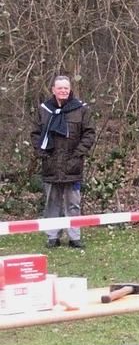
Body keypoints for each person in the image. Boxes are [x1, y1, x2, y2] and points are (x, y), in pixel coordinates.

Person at [31, 75, 96, 249]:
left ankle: (74, 237)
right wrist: (43, 155)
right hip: (50, 165)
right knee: (52, 203)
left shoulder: (81, 109)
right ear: (53, 90)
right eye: (60, 88)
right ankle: (53, 237)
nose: (63, 91)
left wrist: (78, 154)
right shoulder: (44, 110)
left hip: (73, 165)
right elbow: (35, 135)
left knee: (73, 203)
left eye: (66, 88)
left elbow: (89, 134)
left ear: (70, 89)